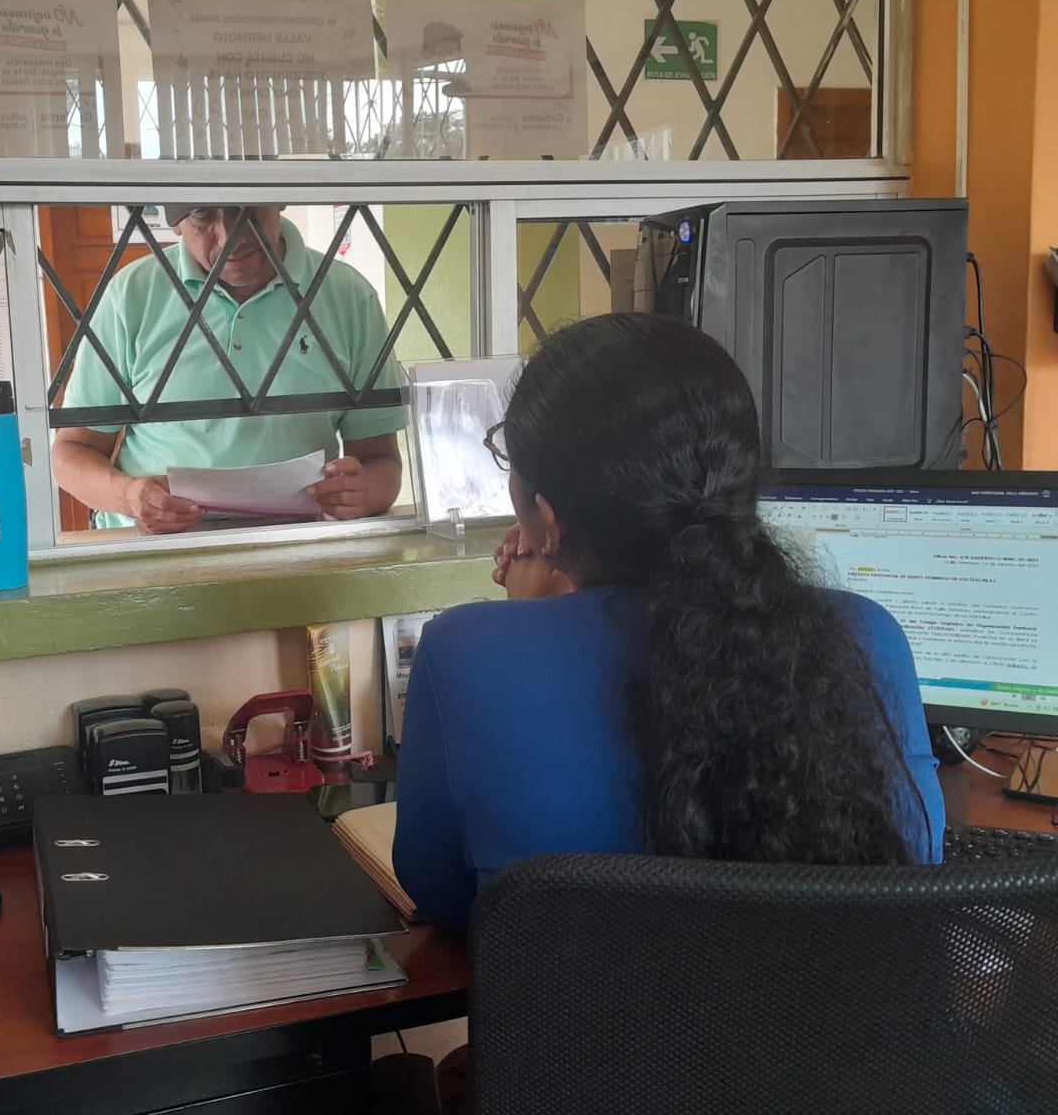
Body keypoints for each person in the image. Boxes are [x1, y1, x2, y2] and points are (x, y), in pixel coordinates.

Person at [393, 313, 945, 931]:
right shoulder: (868, 635)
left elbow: (442, 892)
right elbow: (913, 865)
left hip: (582, 999)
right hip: (825, 993)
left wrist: (530, 619)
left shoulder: (465, 653)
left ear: (547, 518)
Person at [53, 204, 407, 533]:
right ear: (175, 223)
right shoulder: (130, 297)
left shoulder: (349, 297)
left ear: (280, 199)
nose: (230, 237)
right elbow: (70, 453)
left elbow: (382, 462)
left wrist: (361, 494)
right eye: (203, 216)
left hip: (299, 550)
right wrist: (129, 497)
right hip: (155, 554)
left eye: (246, 210)